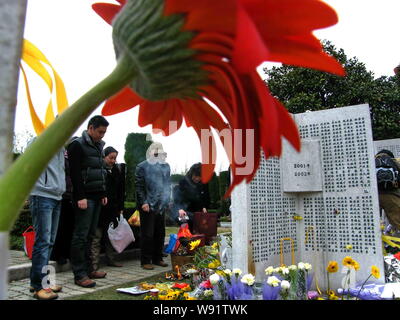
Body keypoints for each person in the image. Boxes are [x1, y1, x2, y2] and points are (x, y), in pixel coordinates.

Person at [68, 115, 109, 288]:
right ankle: (79, 274)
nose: (102, 135)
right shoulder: (77, 145)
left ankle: (90, 269)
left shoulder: (99, 145)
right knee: (80, 236)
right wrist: (80, 196)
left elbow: (100, 171)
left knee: (91, 235)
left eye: (104, 132)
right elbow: (75, 173)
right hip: (84, 198)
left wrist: (103, 192)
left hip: (96, 196)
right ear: (90, 128)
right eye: (100, 131)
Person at [28, 141, 66, 300]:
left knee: (49, 241)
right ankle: (39, 286)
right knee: (43, 241)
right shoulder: (40, 139)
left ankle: (41, 281)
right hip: (41, 195)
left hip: (57, 196)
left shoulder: (62, 144)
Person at [135, 142, 171, 270]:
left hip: (160, 204)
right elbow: (139, 187)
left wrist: (167, 201)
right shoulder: (142, 166)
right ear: (150, 152)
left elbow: (167, 185)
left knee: (160, 233)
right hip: (147, 205)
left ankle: (158, 258)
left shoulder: (165, 166)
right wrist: (143, 202)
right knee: (147, 234)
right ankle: (145, 260)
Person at [90, 146, 126, 269]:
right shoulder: (98, 170)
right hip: (100, 209)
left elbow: (121, 191)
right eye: (110, 158)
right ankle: (94, 263)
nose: (113, 161)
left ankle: (111, 259)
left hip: (113, 209)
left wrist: (120, 207)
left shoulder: (117, 171)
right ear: (104, 156)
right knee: (97, 237)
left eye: (114, 158)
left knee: (111, 236)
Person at [51, 145, 74, 265]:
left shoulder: (72, 158)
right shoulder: (62, 157)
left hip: (71, 195)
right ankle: (57, 254)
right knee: (61, 227)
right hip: (63, 195)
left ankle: (65, 253)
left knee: (69, 227)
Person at [172, 162, 210, 233]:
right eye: (195, 176)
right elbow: (177, 196)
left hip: (195, 212)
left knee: (198, 229)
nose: (197, 178)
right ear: (191, 173)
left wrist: (204, 207)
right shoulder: (183, 182)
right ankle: (184, 239)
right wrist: (180, 209)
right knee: (185, 224)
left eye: (200, 176)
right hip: (182, 211)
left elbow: (204, 197)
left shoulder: (203, 184)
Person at [376, 149, 400, 234]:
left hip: (375, 196)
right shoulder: (393, 162)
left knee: (374, 223)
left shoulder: (372, 162)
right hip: (391, 195)